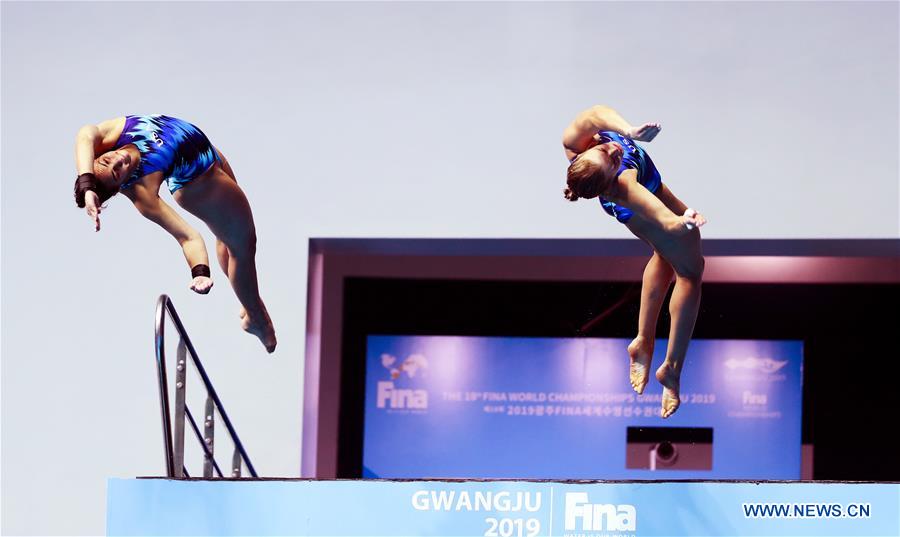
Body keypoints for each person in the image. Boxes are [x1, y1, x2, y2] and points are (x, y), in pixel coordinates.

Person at [73, 115, 277, 353]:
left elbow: (85, 133)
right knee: (242, 247)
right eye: (118, 173)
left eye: (108, 160)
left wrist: (87, 186)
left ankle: (250, 304)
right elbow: (188, 237)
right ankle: (257, 319)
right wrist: (200, 271)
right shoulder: (142, 193)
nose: (119, 161)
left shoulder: (111, 138)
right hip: (199, 183)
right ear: (120, 186)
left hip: (205, 153)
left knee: (229, 240)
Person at [562, 105, 706, 417]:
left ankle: (643, 341)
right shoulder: (623, 185)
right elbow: (666, 221)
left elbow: (596, 112)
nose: (613, 149)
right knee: (690, 273)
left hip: (651, 182)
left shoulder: (575, 143)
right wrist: (686, 222)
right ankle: (671, 368)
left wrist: (629, 132)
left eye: (605, 149)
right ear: (611, 177)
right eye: (613, 159)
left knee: (665, 255)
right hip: (639, 207)